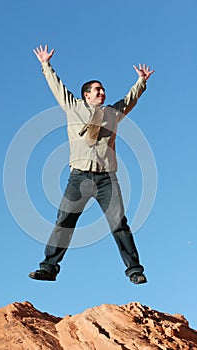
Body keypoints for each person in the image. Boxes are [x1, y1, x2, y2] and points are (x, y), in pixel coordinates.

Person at [29, 44, 154, 284]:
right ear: (86, 94)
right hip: (79, 178)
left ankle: (135, 271)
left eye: (104, 90)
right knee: (64, 221)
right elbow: (57, 86)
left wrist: (141, 81)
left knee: (119, 224)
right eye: (97, 90)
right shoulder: (73, 107)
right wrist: (46, 64)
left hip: (107, 178)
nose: (102, 93)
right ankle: (48, 268)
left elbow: (130, 99)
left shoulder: (112, 113)